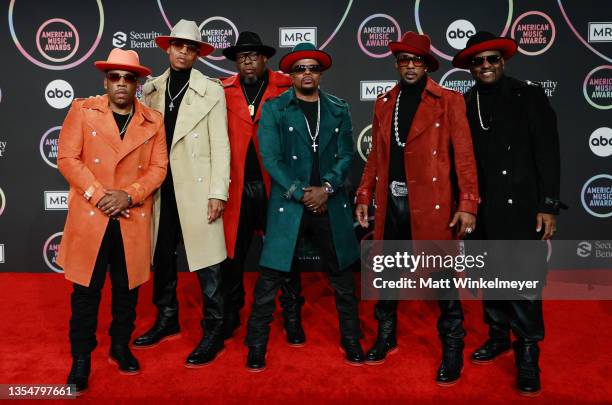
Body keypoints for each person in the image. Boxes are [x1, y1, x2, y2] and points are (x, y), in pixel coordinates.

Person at [355, 32, 479, 385]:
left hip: (432, 203)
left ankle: (452, 345)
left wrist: (468, 203)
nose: (410, 66)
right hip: (392, 201)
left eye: (417, 61)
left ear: (426, 65)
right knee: (389, 271)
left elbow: (465, 158)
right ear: (396, 64)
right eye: (404, 61)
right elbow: (376, 158)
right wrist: (364, 194)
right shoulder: (383, 102)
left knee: (442, 278)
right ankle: (386, 334)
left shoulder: (448, 101)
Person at [452, 31, 563, 396]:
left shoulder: (528, 95)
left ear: (503, 61)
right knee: (490, 275)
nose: (485, 66)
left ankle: (528, 354)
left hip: (521, 206)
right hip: (482, 209)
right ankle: (498, 335)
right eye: (478, 61)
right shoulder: (465, 103)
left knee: (523, 283)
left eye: (492, 59)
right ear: (470, 67)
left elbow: (547, 152)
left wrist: (548, 204)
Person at [244, 43, 364, 372]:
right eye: (299, 69)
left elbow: (344, 155)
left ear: (320, 72)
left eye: (312, 68)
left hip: (329, 201)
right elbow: (271, 158)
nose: (306, 73)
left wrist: (325, 188)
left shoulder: (339, 108)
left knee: (342, 277)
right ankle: (256, 345)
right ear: (291, 75)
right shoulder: (275, 109)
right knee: (270, 278)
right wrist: (301, 192)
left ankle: (352, 338)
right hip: (290, 204)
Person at [57, 48, 168, 394]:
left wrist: (129, 195)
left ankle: (120, 345)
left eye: (128, 78)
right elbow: (67, 158)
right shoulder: (82, 110)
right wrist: (99, 194)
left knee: (126, 291)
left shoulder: (153, 120)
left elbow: (158, 168)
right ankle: (81, 358)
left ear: (137, 83)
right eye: (115, 77)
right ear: (106, 81)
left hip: (131, 216)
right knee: (86, 293)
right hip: (93, 215)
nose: (121, 83)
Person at [132, 19, 231, 367]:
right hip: (160, 188)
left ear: (198, 53)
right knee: (162, 257)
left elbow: (221, 144)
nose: (184, 52)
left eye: (191, 48)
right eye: (178, 46)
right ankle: (167, 318)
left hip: (198, 187)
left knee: (208, 263)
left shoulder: (211, 90)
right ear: (168, 48)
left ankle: (214, 329)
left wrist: (218, 192)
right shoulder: (151, 89)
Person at [220, 32, 304, 345]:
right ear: (236, 61)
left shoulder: (286, 86)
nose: (247, 61)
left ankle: (292, 315)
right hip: (238, 185)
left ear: (264, 58)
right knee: (232, 256)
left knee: (286, 253)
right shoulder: (222, 91)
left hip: (277, 186)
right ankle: (231, 314)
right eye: (242, 56)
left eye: (253, 55)